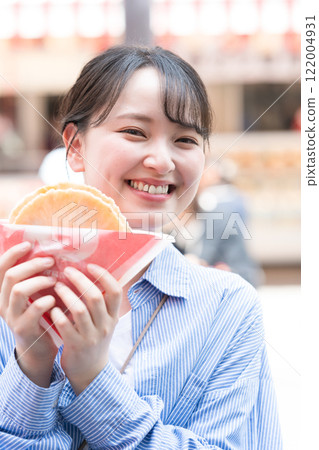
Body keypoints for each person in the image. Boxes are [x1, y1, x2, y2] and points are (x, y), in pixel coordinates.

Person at [0, 45, 282, 449]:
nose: (162, 160)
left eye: (185, 139)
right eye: (135, 132)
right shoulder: (13, 289)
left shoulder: (228, 308)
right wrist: (32, 362)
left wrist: (93, 377)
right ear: (75, 147)